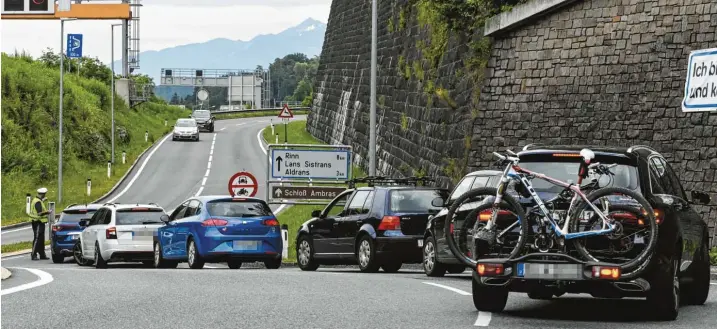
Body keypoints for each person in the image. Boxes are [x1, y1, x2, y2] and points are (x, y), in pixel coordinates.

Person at [28, 187, 50, 260]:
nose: (45, 195)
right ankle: (33, 254)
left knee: (41, 239)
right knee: (37, 238)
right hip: (37, 222)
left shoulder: (37, 200)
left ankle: (42, 254)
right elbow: (39, 213)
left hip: (40, 222)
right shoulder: (37, 202)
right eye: (44, 194)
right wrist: (48, 212)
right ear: (43, 194)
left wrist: (43, 200)